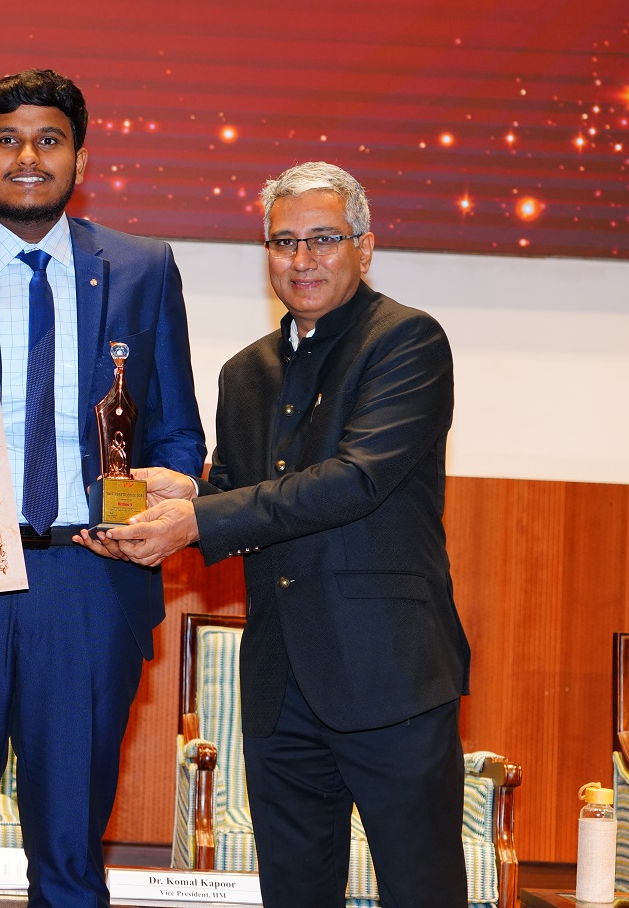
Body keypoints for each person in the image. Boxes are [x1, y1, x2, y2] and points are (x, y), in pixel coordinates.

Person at [94, 161, 471, 908]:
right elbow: (244, 491)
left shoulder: (407, 342)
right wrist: (189, 493)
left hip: (389, 675)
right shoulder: (247, 372)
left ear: (365, 247)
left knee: (420, 890)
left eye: (323, 238)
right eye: (283, 241)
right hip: (280, 683)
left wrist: (200, 517)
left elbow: (354, 480)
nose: (302, 259)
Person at [0, 69, 206, 907]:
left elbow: (176, 431)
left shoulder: (143, 268)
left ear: (80, 158)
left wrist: (171, 498)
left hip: (88, 581)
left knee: (69, 862)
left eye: (49, 139)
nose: (28, 156)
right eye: (7, 139)